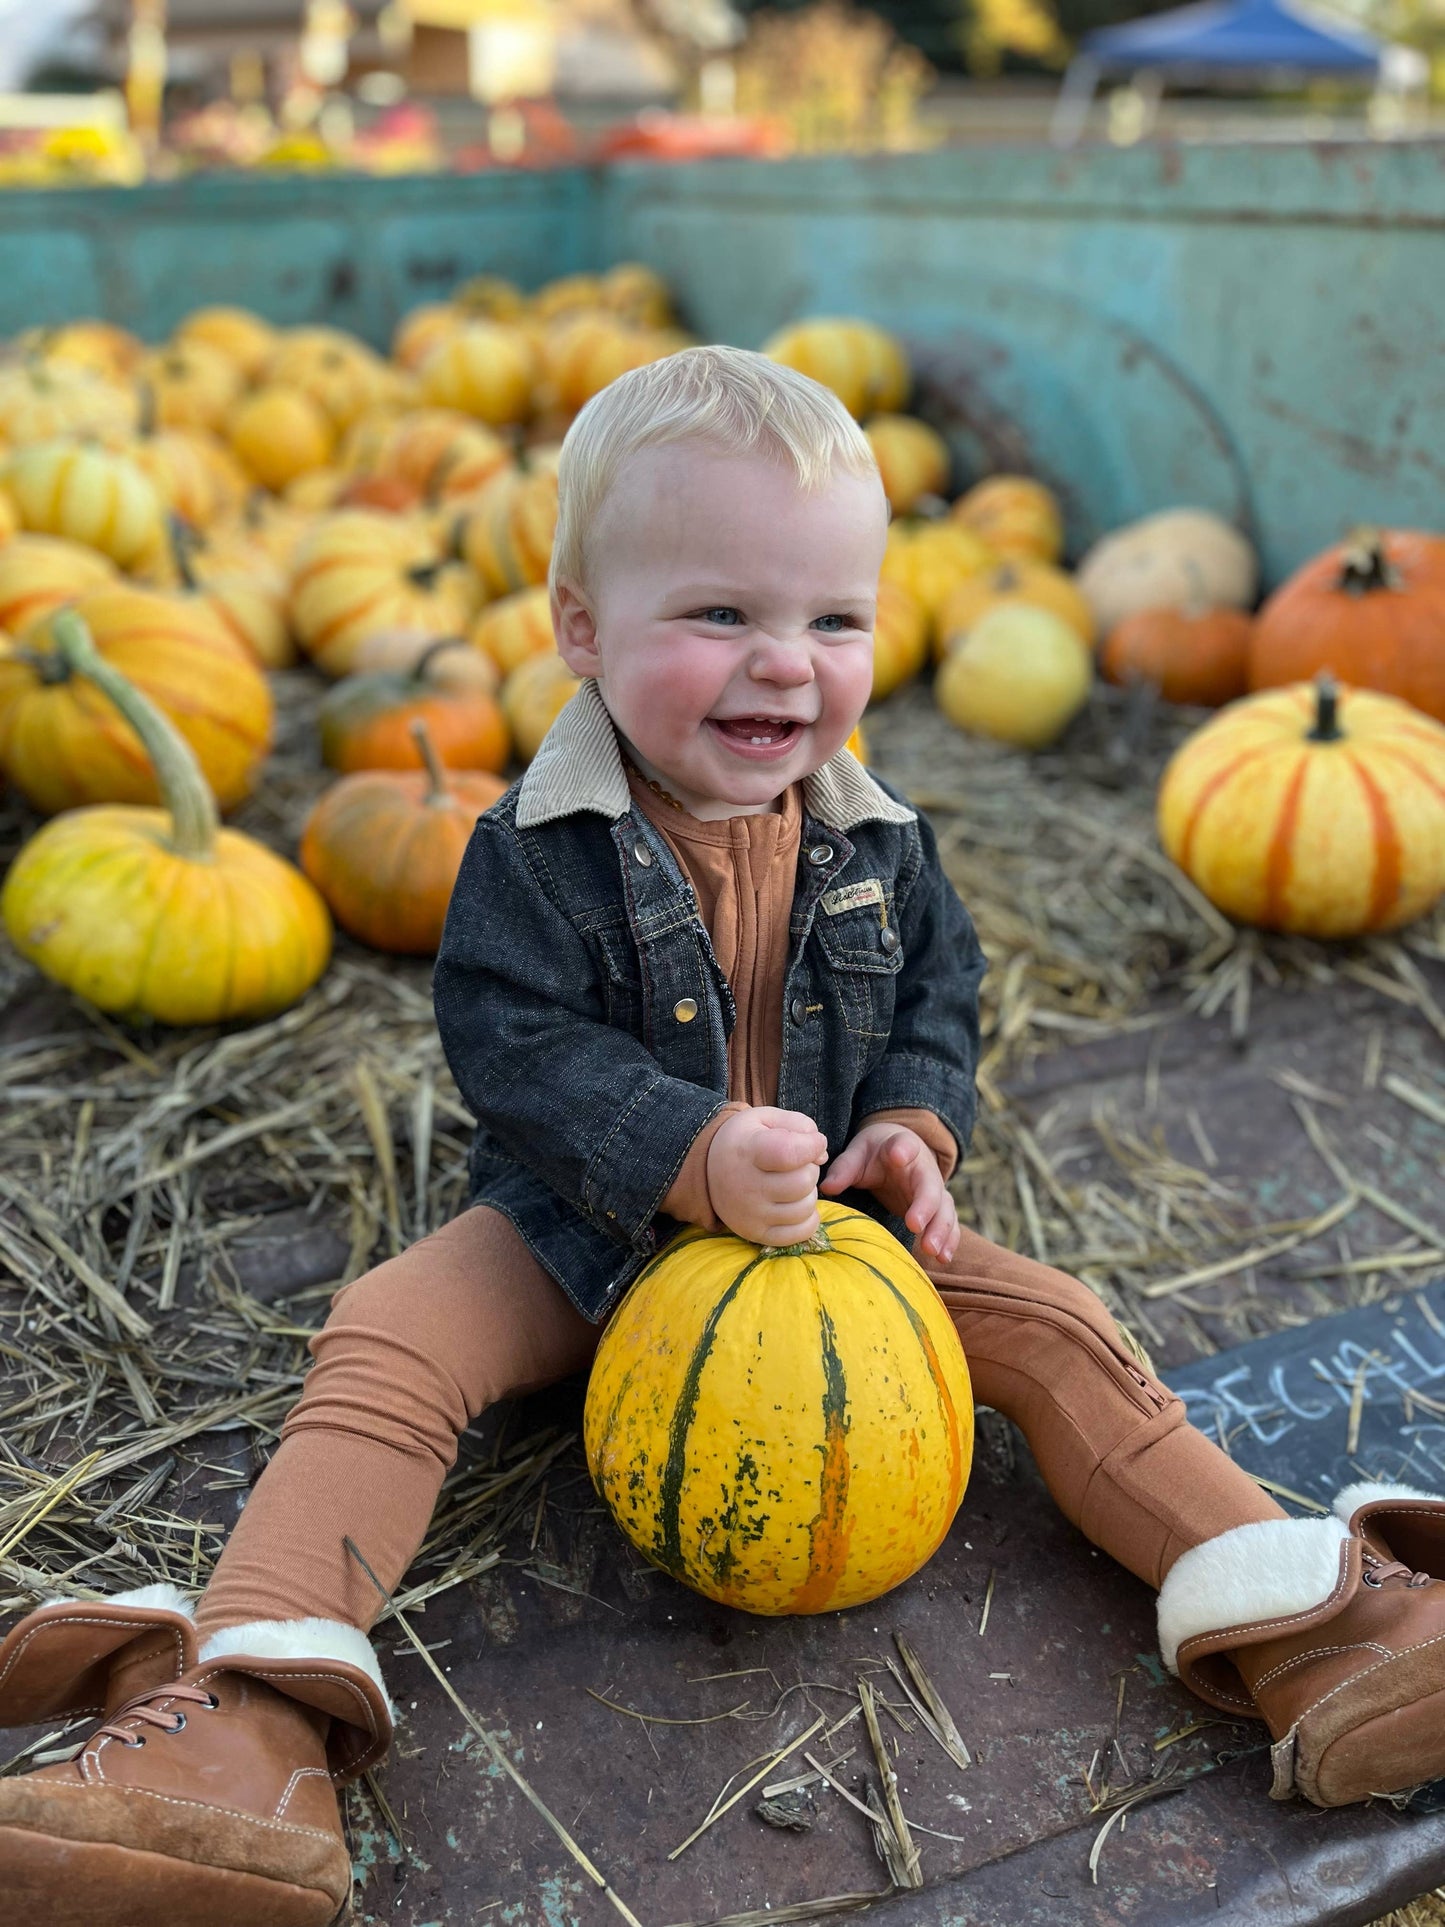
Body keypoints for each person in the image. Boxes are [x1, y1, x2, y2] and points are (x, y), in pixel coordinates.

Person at [1, 345, 1442, 1927]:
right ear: (576, 629)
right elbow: (512, 1044)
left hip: (830, 1239)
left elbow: (934, 1004)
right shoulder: (527, 853)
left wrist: (907, 1130)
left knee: (1058, 1331)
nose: (784, 666)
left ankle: (1316, 1627)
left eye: (832, 621)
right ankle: (247, 1731)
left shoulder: (884, 839)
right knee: (390, 1335)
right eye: (719, 617)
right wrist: (683, 1151)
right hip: (581, 1232)